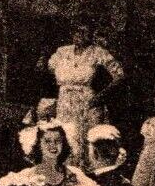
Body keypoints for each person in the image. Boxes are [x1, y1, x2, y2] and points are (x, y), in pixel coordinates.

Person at [44, 22, 124, 166]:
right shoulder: (62, 52)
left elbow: (119, 76)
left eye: (83, 31)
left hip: (87, 103)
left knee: (87, 144)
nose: (79, 35)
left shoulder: (98, 52)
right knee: (67, 138)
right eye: (76, 31)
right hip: (65, 103)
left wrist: (100, 97)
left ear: (91, 34)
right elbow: (47, 69)